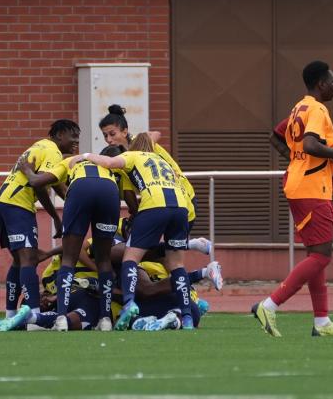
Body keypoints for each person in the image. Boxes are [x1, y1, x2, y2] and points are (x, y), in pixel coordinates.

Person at [252, 60, 333, 338]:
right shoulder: (319, 109)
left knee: (316, 254)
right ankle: (269, 305)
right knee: (322, 256)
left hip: (298, 184)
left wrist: (295, 159)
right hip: (312, 189)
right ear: (321, 84)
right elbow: (311, 144)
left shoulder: (300, 107)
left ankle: (321, 322)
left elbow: (275, 136)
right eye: (332, 81)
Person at [71, 133, 195, 330]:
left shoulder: (134, 155)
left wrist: (85, 155)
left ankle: (129, 304)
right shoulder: (162, 159)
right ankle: (187, 316)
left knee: (131, 257)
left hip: (154, 204)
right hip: (181, 207)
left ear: (134, 147)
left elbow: (110, 162)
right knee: (176, 264)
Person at [14, 143, 120, 331]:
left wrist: (27, 170)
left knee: (69, 259)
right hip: (109, 191)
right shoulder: (106, 164)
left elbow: (37, 182)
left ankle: (61, 317)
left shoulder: (69, 161)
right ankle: (105, 320)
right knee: (104, 260)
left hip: (80, 190)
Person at [0, 119, 79, 331]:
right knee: (28, 259)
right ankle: (34, 318)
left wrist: (68, 204)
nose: (76, 141)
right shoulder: (52, 151)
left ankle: (10, 315)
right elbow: (38, 184)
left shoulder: (40, 146)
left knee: (19, 261)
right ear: (58, 136)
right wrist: (56, 217)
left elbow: (56, 184)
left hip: (2, 202)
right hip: (17, 205)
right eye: (72, 136)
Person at [99, 104, 205, 244]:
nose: (108, 140)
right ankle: (194, 248)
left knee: (170, 250)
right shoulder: (121, 158)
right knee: (164, 251)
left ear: (125, 132)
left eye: (112, 134)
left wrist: (143, 150)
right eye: (105, 135)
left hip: (183, 195)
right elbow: (129, 193)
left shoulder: (139, 141)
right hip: (162, 201)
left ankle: (193, 246)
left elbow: (156, 134)